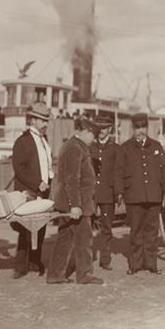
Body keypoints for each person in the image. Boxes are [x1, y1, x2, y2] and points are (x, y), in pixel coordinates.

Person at [46, 117, 103, 285]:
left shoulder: (72, 145)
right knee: (84, 239)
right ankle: (84, 274)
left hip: (70, 203)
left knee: (65, 238)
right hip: (78, 204)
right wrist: (75, 205)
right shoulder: (75, 148)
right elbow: (72, 179)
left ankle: (55, 274)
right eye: (94, 135)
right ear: (86, 131)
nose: (95, 139)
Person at [115, 112, 165, 275]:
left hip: (153, 195)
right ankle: (135, 265)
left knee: (152, 232)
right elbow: (118, 172)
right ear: (133, 128)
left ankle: (151, 264)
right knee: (136, 231)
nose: (141, 131)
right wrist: (119, 192)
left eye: (143, 127)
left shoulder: (156, 146)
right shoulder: (125, 148)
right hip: (134, 195)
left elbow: (164, 169)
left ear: (147, 127)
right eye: (137, 127)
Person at [10, 102, 53, 278]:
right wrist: (37, 183)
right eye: (42, 120)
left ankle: (35, 261)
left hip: (43, 191)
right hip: (28, 192)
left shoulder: (44, 140)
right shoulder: (22, 141)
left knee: (40, 227)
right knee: (25, 228)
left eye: (46, 120)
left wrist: (49, 179)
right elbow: (19, 169)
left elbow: (46, 164)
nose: (45, 124)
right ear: (33, 120)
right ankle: (20, 266)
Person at [89, 116, 118, 270]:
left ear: (110, 129)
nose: (101, 131)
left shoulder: (115, 149)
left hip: (108, 193)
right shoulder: (89, 148)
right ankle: (86, 259)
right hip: (91, 194)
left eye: (104, 128)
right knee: (86, 227)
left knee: (106, 227)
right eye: (98, 128)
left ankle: (105, 260)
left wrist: (118, 193)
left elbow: (118, 172)